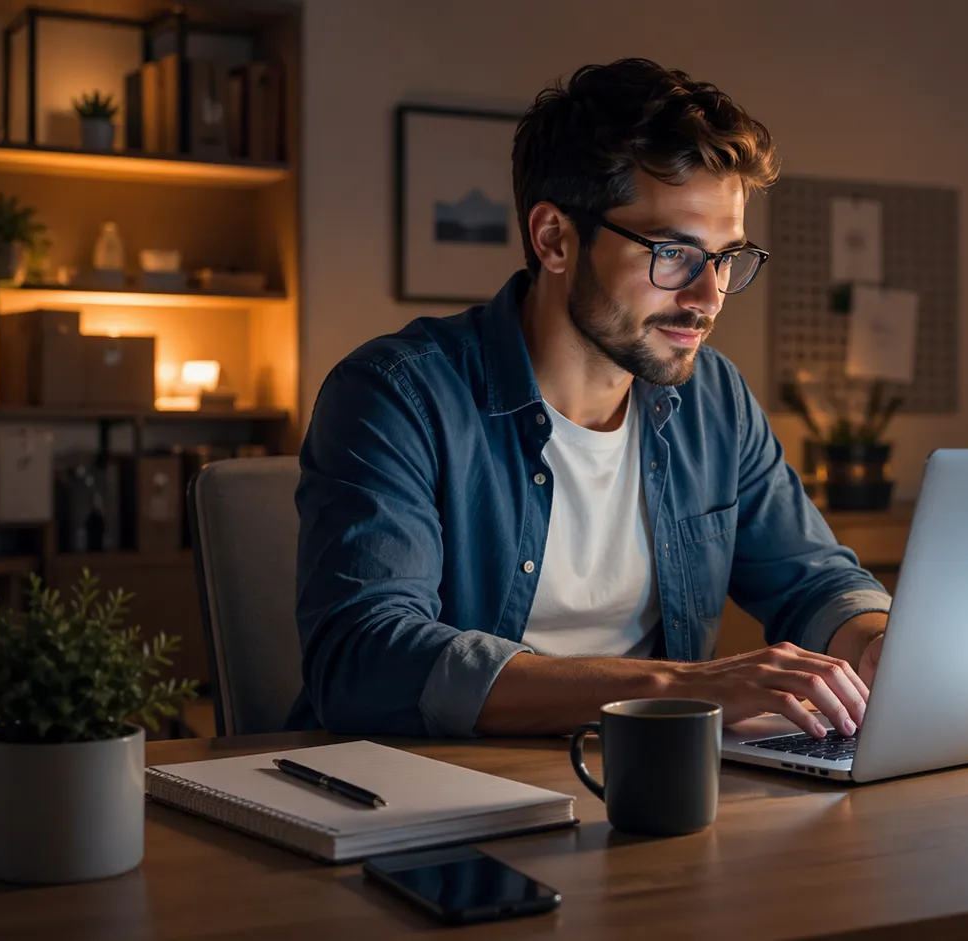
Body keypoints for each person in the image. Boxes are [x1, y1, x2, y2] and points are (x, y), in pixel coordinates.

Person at [289, 58, 890, 740]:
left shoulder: (713, 399)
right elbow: (366, 660)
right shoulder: (396, 397)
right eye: (673, 253)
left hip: (648, 791)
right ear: (554, 240)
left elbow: (812, 580)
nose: (708, 296)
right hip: (432, 798)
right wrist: (679, 688)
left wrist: (876, 640)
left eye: (726, 257)